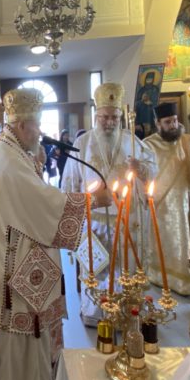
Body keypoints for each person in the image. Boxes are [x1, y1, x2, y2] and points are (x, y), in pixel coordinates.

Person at [0, 88, 108, 380]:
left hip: (12, 261)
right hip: (16, 272)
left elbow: (21, 201)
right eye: (37, 125)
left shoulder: (8, 150)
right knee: (23, 343)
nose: (40, 132)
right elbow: (43, 203)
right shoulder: (8, 159)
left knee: (25, 341)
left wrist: (37, 164)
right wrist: (94, 200)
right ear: (22, 125)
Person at [61, 82, 156, 326]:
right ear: (96, 115)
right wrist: (74, 217)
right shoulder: (82, 144)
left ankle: (125, 314)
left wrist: (141, 168)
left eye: (115, 117)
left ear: (121, 117)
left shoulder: (133, 141)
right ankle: (95, 314)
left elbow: (152, 170)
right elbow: (70, 183)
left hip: (127, 220)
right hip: (93, 221)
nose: (110, 122)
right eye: (104, 117)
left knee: (124, 270)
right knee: (97, 270)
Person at [143, 102, 190, 295]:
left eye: (175, 120)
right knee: (162, 242)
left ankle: (184, 280)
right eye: (168, 122)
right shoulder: (148, 145)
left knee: (185, 242)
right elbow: (144, 175)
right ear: (158, 123)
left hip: (185, 202)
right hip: (160, 205)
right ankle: (159, 275)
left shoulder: (189, 141)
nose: (173, 125)